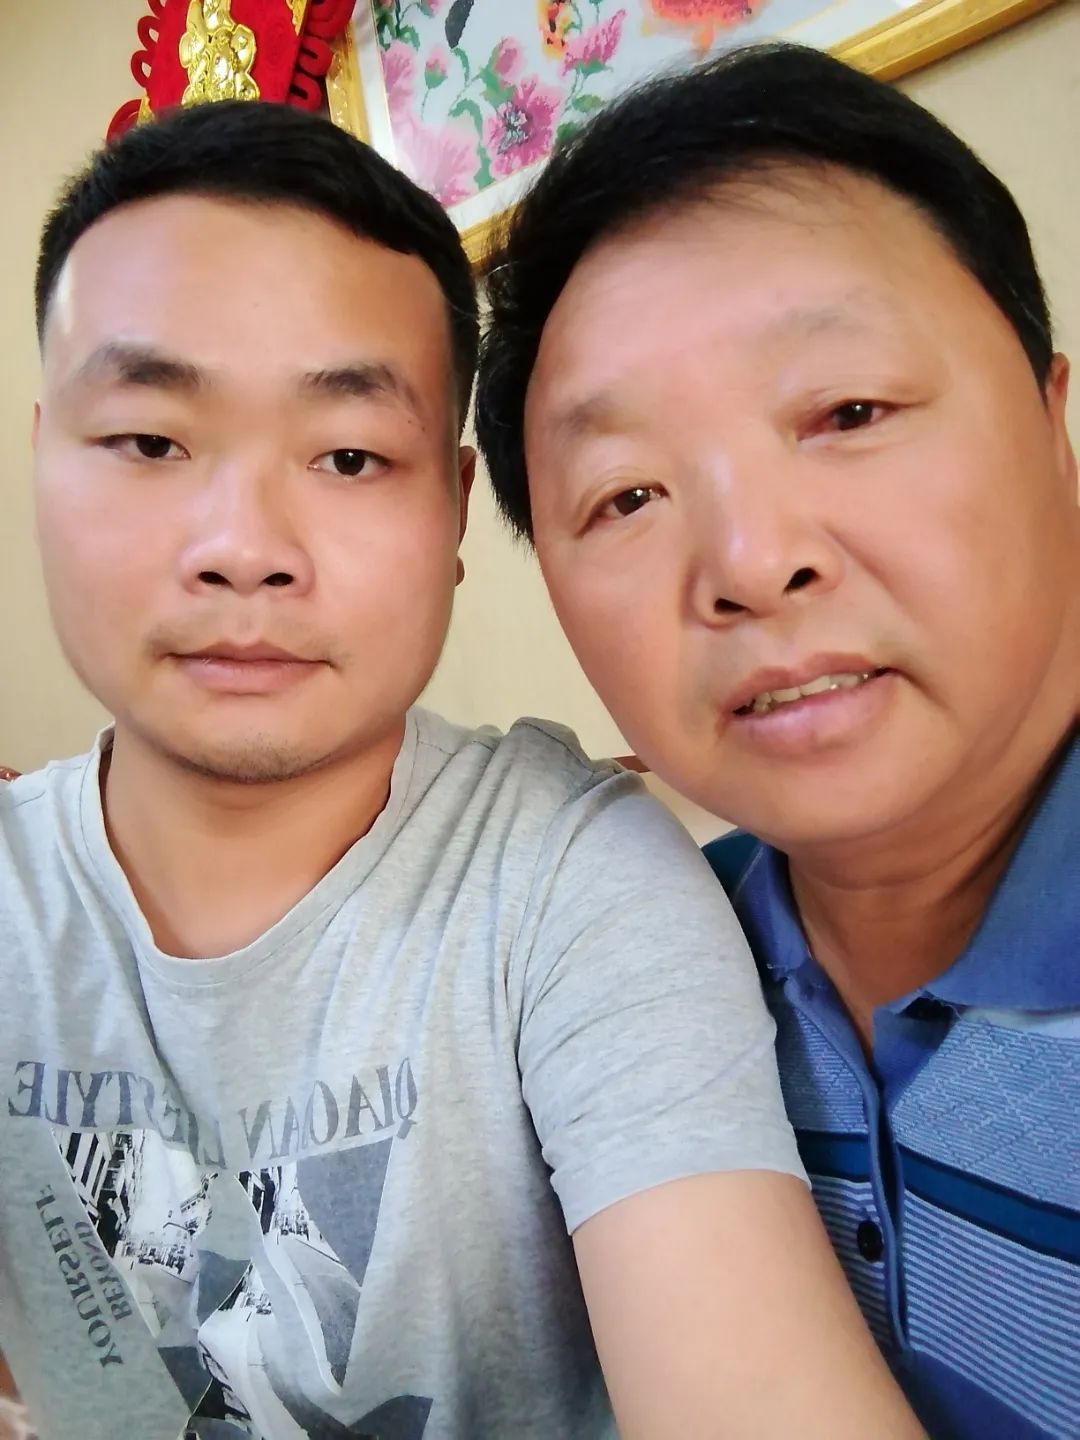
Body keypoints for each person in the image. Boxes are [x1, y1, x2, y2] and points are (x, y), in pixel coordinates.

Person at [0, 100, 923, 1440]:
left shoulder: (570, 882)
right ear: (40, 461)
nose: (243, 547)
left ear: (450, 510)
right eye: (150, 441)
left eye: (349, 456)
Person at [476, 41, 1079, 1440]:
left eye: (849, 412)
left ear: (1053, 422)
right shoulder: (626, 976)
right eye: (627, 495)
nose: (751, 562)